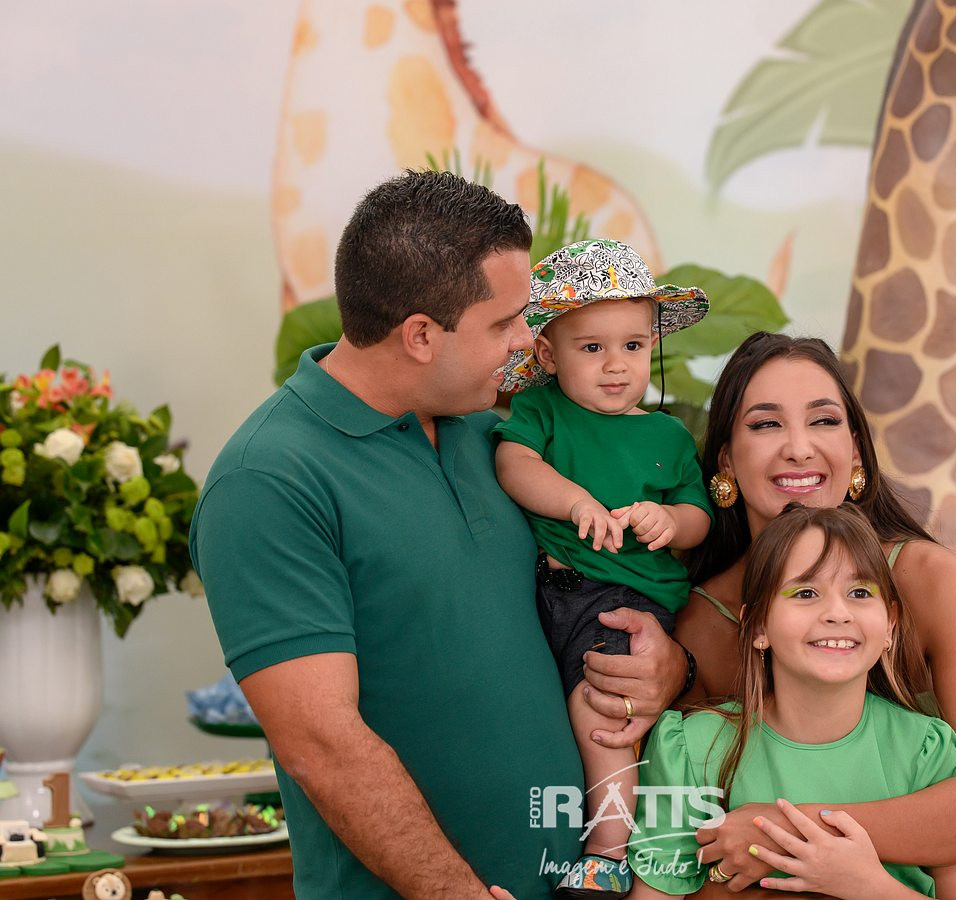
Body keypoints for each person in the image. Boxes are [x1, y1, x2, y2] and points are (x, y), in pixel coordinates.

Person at [189, 171, 690, 899]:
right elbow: (321, 744)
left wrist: (668, 666)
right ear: (421, 334)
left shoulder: (497, 438)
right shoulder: (266, 480)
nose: (525, 341)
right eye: (504, 323)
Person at [675, 333, 956, 897]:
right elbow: (695, 840)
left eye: (824, 421)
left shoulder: (928, 580)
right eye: (766, 424)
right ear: (726, 461)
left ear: (857, 451)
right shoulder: (706, 619)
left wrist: (788, 831)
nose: (799, 448)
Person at [493, 239, 713, 896]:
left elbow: (698, 515)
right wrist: (575, 501)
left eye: (633, 346)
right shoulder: (542, 412)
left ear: (653, 345)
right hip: (548, 591)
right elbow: (514, 464)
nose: (616, 365)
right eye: (592, 348)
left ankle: (609, 848)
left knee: (602, 709)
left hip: (625, 598)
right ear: (548, 355)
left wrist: (670, 521)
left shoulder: (667, 436)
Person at [627, 504, 956, 898]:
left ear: (890, 625)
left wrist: (866, 885)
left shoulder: (925, 752)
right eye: (806, 592)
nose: (837, 613)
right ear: (758, 625)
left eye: (859, 592)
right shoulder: (691, 749)